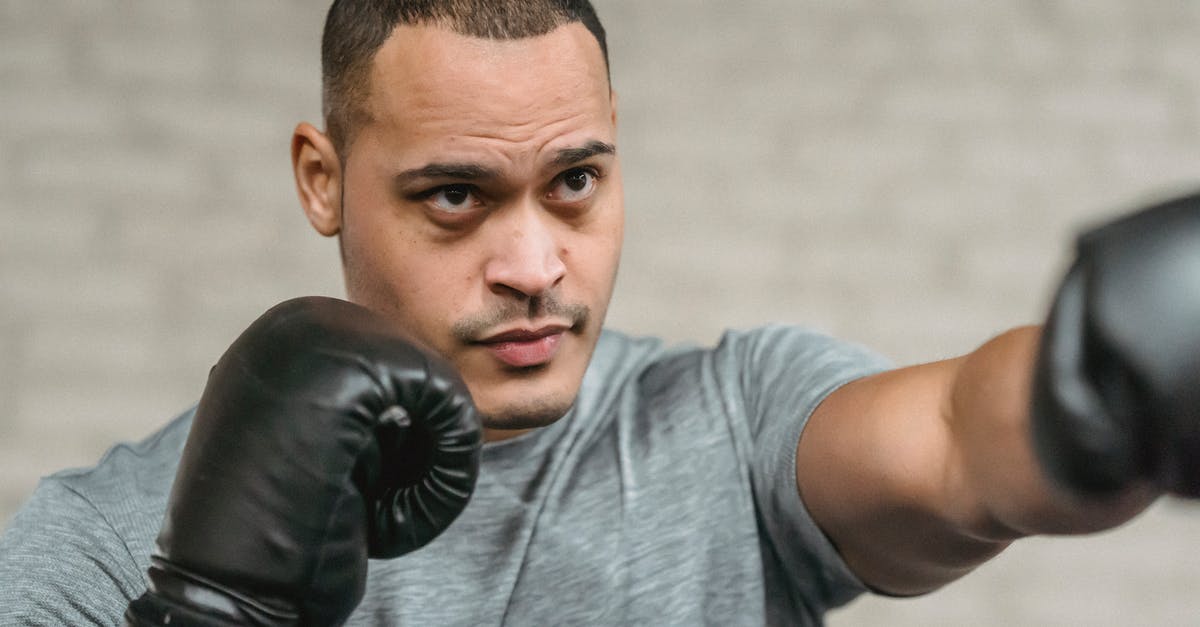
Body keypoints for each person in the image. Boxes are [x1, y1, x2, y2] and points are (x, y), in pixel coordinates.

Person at [1, 1, 1197, 625]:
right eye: (455, 196)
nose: (534, 264)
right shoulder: (98, 546)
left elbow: (952, 443)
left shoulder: (730, 432)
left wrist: (1093, 383)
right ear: (324, 178)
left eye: (575, 181)